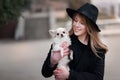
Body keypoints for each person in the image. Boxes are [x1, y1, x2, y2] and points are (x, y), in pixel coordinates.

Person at [41, 3, 108, 80]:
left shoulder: (98, 50)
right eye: (75, 20)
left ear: (90, 27)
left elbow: (98, 78)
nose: (76, 25)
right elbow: (45, 73)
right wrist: (52, 62)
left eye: (82, 23)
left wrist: (70, 75)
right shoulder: (61, 42)